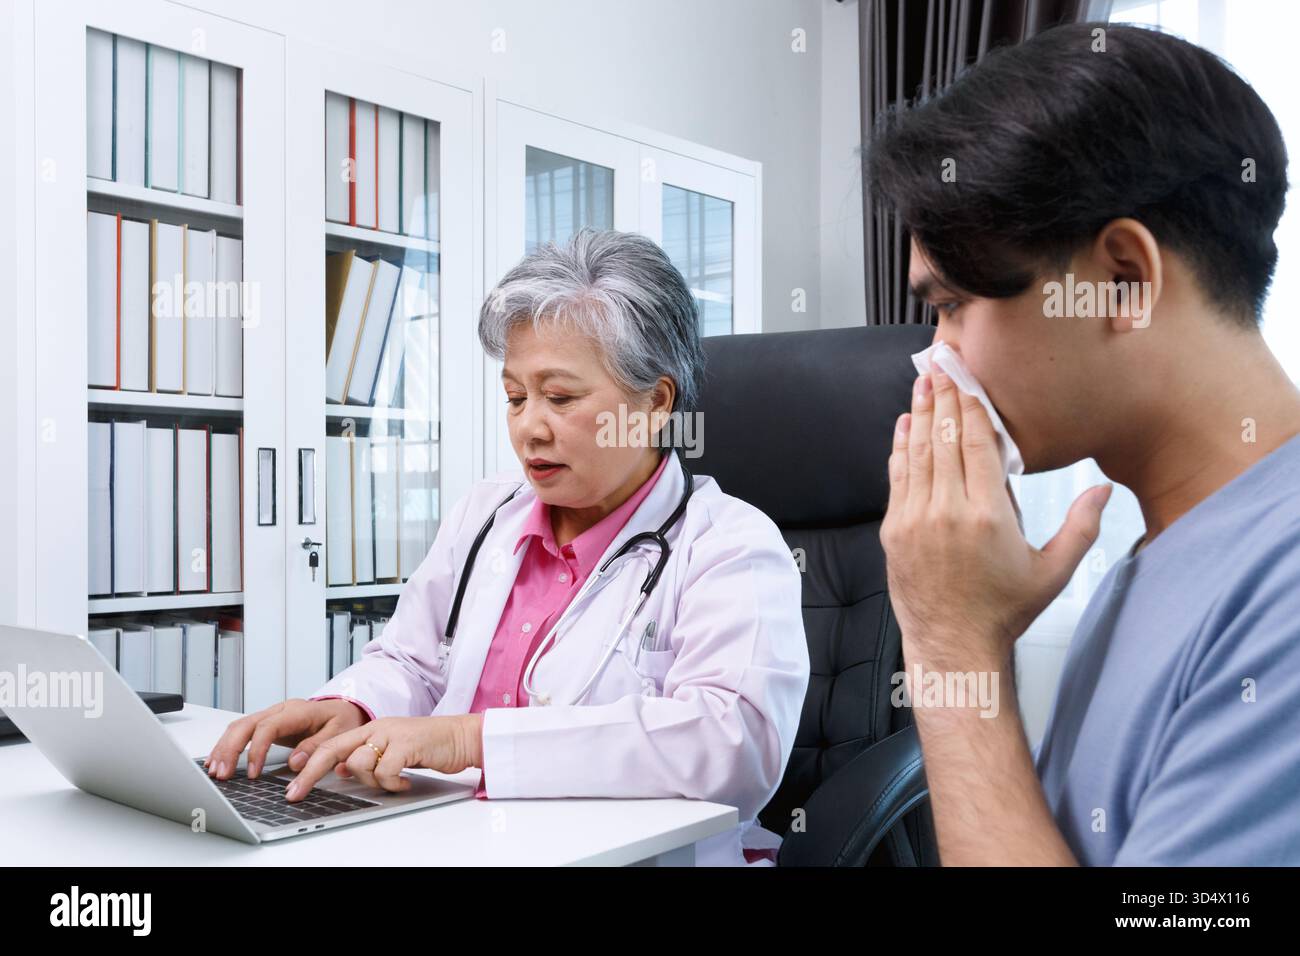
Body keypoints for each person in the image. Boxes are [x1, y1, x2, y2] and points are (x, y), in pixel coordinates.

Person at [206, 228, 810, 866]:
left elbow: (733, 744)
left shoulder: (729, 546)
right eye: (515, 397)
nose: (528, 427)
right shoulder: (486, 513)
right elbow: (413, 662)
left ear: (654, 403)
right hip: (450, 842)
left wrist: (476, 740)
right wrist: (349, 706)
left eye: (559, 397)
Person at [868, 22, 1300, 864]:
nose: (936, 357)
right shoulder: (1158, 558)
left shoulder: (1282, 594)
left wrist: (949, 645)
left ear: (1124, 281)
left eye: (954, 303)